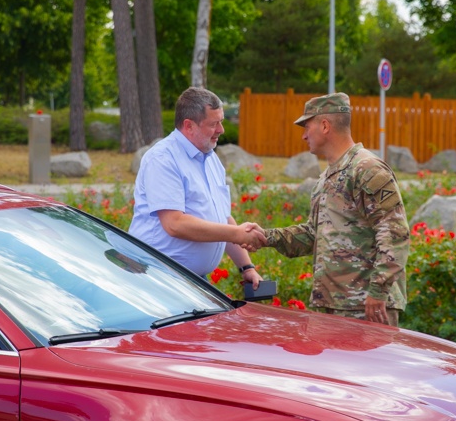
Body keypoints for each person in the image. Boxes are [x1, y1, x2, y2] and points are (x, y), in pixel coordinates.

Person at [259, 93, 409, 326]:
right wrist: (265, 237)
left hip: (366, 308)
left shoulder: (366, 169)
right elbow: (313, 235)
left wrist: (378, 292)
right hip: (332, 306)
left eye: (307, 127)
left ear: (325, 126)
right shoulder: (327, 177)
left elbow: (394, 232)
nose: (304, 135)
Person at [129, 87, 265, 288]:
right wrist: (237, 233)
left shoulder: (211, 159)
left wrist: (247, 267)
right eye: (213, 124)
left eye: (221, 122)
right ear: (189, 125)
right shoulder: (163, 159)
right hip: (158, 278)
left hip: (192, 279)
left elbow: (222, 218)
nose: (221, 130)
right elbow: (175, 224)